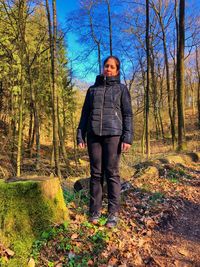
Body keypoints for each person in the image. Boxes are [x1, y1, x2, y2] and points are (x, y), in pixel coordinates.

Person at [77, 56, 133, 228]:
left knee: (112, 173)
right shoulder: (92, 90)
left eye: (112, 67)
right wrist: (80, 135)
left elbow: (128, 114)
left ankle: (113, 213)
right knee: (96, 174)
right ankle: (94, 211)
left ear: (117, 70)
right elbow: (85, 114)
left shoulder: (121, 89)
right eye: (106, 66)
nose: (108, 69)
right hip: (93, 134)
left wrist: (127, 137)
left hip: (113, 135)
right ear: (103, 68)